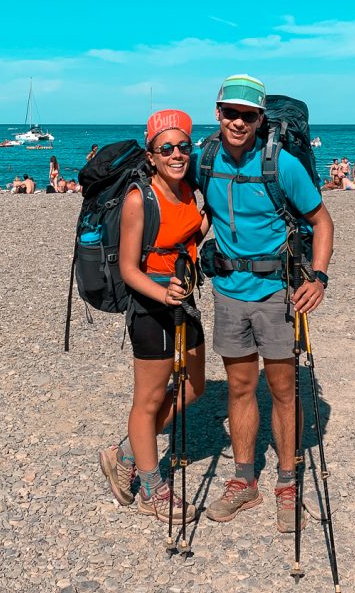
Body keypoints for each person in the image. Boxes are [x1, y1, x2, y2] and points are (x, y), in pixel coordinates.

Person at [190, 75, 334, 533]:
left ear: (259, 120)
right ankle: (244, 480)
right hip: (227, 290)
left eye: (247, 115)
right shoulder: (203, 159)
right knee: (238, 387)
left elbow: (322, 220)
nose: (237, 122)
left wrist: (320, 277)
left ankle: (288, 484)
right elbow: (176, 195)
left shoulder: (283, 164)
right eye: (229, 113)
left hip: (277, 293)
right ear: (217, 113)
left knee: (283, 389)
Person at [99, 110, 210, 523]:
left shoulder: (188, 193)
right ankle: (151, 488)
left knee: (194, 387)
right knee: (146, 402)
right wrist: (163, 293)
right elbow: (129, 269)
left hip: (183, 298)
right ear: (151, 155)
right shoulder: (137, 199)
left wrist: (205, 225)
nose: (177, 154)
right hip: (151, 306)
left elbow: (184, 236)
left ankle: (124, 452)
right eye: (167, 148)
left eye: (184, 146)